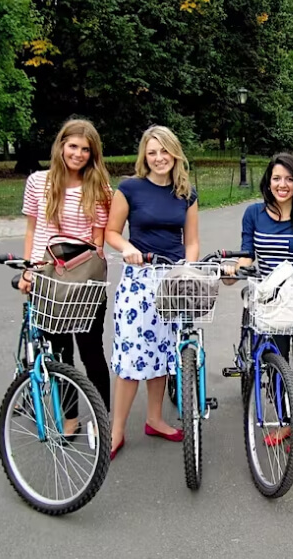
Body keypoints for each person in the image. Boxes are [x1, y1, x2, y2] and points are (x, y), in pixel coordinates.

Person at [105, 125, 199, 460]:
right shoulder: (130, 188)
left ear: (175, 153)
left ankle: (155, 418)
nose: (159, 158)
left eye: (164, 151)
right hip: (139, 278)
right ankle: (116, 431)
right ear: (145, 155)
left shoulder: (185, 192)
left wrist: (188, 267)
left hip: (172, 279)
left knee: (163, 353)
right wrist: (128, 248)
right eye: (152, 152)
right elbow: (111, 232)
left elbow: (191, 240)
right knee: (132, 357)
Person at [224, 153, 293, 453]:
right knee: (276, 364)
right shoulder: (253, 214)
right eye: (277, 178)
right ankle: (285, 421)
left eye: (290, 179)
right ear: (268, 181)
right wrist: (235, 272)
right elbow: (247, 254)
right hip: (272, 302)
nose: (283, 185)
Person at [19, 119, 113, 436]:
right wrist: (29, 269)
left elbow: (98, 239)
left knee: (91, 351)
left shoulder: (98, 187)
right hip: (47, 277)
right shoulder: (38, 182)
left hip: (84, 278)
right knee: (60, 354)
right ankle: (70, 419)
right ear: (61, 146)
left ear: (92, 154)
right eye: (73, 146)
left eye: (85, 149)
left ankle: (102, 418)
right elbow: (33, 230)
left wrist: (81, 269)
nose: (78, 154)